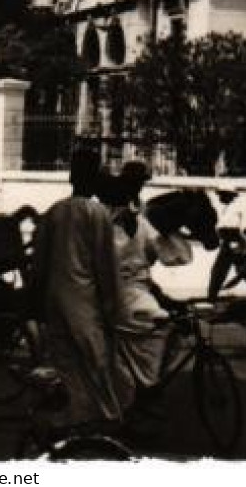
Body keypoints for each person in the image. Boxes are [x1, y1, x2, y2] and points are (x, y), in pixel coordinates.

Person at [28, 147, 125, 427]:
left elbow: (39, 261)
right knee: (96, 359)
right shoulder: (97, 214)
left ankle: (78, 414)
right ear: (94, 179)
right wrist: (111, 306)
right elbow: (105, 264)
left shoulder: (54, 212)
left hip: (54, 297)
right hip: (83, 299)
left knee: (65, 359)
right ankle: (107, 415)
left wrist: (36, 296)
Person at [97, 165, 168, 413]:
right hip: (119, 291)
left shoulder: (139, 218)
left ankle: (146, 378)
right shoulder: (104, 224)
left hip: (138, 285)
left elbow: (154, 252)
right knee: (156, 323)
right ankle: (147, 383)